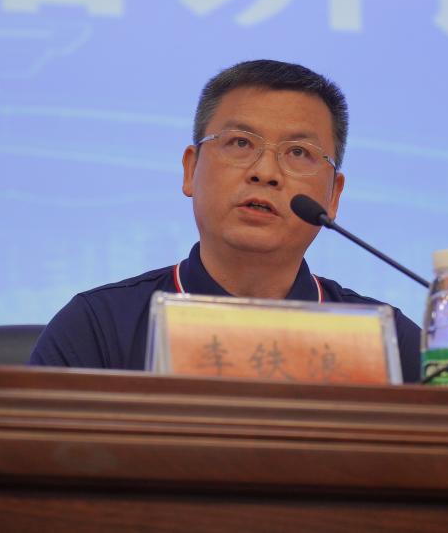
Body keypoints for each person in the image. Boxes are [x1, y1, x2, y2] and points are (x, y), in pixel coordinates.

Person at [29, 60, 422, 382]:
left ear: (333, 194)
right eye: (241, 143)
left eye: (298, 152)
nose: (265, 172)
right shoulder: (98, 328)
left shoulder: (388, 346)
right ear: (191, 169)